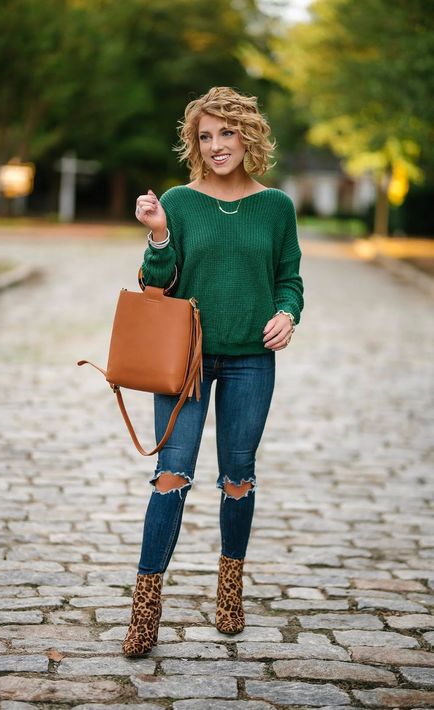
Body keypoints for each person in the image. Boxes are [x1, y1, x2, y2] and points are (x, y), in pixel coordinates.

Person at [123, 86, 304, 657]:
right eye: (205, 136)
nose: (216, 145)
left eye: (227, 132)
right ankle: (145, 609)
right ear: (194, 144)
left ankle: (230, 590)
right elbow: (157, 287)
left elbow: (289, 278)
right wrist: (158, 232)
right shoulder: (178, 200)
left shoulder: (276, 207)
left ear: (248, 135)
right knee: (171, 476)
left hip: (253, 357)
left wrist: (286, 313)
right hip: (187, 358)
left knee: (238, 477)